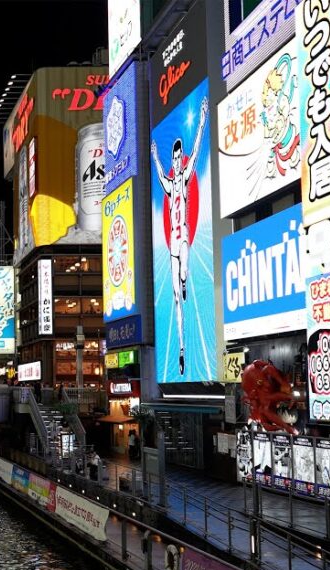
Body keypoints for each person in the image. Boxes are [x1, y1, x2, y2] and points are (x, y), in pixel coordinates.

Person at [151, 95, 209, 377]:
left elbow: (197, 150)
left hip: (183, 235)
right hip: (172, 244)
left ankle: (186, 279)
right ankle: (183, 349)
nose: (176, 161)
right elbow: (160, 172)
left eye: (177, 156)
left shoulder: (184, 177)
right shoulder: (169, 182)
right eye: (174, 157)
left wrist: (202, 121)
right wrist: (153, 155)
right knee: (176, 298)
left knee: (184, 272)